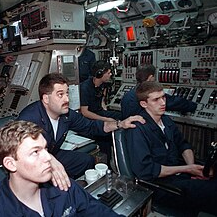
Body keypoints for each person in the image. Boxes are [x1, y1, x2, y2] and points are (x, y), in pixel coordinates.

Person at [17, 73, 145, 189]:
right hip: (31, 163)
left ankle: (71, 187)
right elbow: (22, 152)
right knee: (45, 182)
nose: (67, 99)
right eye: (60, 94)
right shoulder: (28, 118)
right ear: (46, 99)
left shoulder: (66, 115)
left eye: (67, 93)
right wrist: (49, 161)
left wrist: (120, 123)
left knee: (87, 160)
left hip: (53, 153)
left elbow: (92, 126)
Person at [0, 120, 123, 217]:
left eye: (45, 149)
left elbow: (100, 212)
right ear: (11, 164)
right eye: (35, 152)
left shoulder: (63, 186)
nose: (48, 158)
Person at [125, 81, 217, 216]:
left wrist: (192, 168)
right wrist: (187, 169)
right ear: (144, 104)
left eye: (163, 97)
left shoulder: (166, 120)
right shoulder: (138, 129)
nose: (163, 103)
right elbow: (146, 170)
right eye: (156, 99)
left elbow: (183, 144)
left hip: (179, 173)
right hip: (161, 186)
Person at [80, 61, 121, 168]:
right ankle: (105, 164)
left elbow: (101, 100)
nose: (110, 74)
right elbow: (85, 112)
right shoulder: (85, 88)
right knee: (105, 135)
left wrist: (106, 110)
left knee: (120, 116)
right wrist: (105, 118)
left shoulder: (103, 85)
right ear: (99, 74)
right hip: (90, 116)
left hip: (99, 111)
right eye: (108, 72)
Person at [120, 64, 197, 119]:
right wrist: (194, 106)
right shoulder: (150, 94)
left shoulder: (127, 95)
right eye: (154, 77)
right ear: (150, 77)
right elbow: (175, 102)